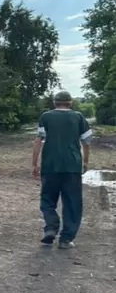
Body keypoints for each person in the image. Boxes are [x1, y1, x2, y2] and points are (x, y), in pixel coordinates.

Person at [32, 90, 92, 249]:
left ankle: (51, 227)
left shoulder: (46, 117)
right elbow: (86, 142)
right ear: (70, 102)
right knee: (72, 202)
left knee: (47, 199)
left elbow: (38, 140)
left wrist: (34, 163)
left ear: (54, 102)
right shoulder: (78, 117)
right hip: (72, 166)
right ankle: (66, 239)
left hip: (50, 165)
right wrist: (85, 162)